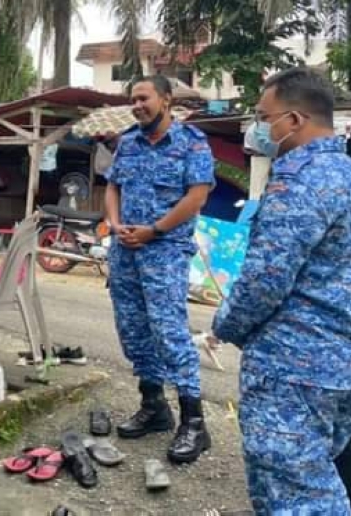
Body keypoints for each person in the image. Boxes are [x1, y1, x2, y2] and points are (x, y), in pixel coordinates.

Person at [211, 68, 351, 514]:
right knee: (315, 472)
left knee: (299, 495)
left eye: (261, 117)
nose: (256, 128)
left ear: (292, 121)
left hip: (295, 365)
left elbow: (265, 280)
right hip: (347, 362)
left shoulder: (298, 179)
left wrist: (225, 325)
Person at [105, 75, 215, 464]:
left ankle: (194, 423)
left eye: (143, 97)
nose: (136, 105)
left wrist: (154, 231)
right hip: (125, 252)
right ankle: (154, 407)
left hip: (164, 251)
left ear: (166, 100)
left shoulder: (192, 143)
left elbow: (197, 196)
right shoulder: (129, 142)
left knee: (169, 332)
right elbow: (112, 187)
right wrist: (115, 224)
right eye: (132, 99)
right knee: (133, 330)